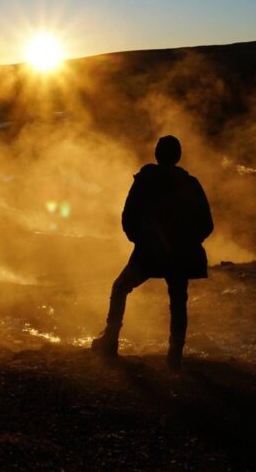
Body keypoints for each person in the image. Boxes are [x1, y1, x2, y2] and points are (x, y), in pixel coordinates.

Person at [91, 135, 213, 370]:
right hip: (180, 256)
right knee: (178, 302)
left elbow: (128, 217)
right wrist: (187, 243)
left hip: (149, 253)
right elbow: (207, 223)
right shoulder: (190, 183)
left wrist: (142, 241)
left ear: (157, 155)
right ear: (178, 156)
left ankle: (110, 341)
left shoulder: (145, 180)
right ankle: (175, 355)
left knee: (120, 288)